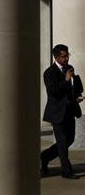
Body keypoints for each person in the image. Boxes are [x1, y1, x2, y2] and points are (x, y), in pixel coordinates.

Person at [41, 44, 83, 179]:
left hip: (70, 110)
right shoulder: (49, 72)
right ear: (56, 57)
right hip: (57, 112)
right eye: (63, 57)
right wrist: (66, 81)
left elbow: (76, 87)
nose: (66, 59)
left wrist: (76, 95)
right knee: (62, 141)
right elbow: (54, 92)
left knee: (69, 140)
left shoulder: (70, 69)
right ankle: (67, 170)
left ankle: (45, 156)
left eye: (67, 56)